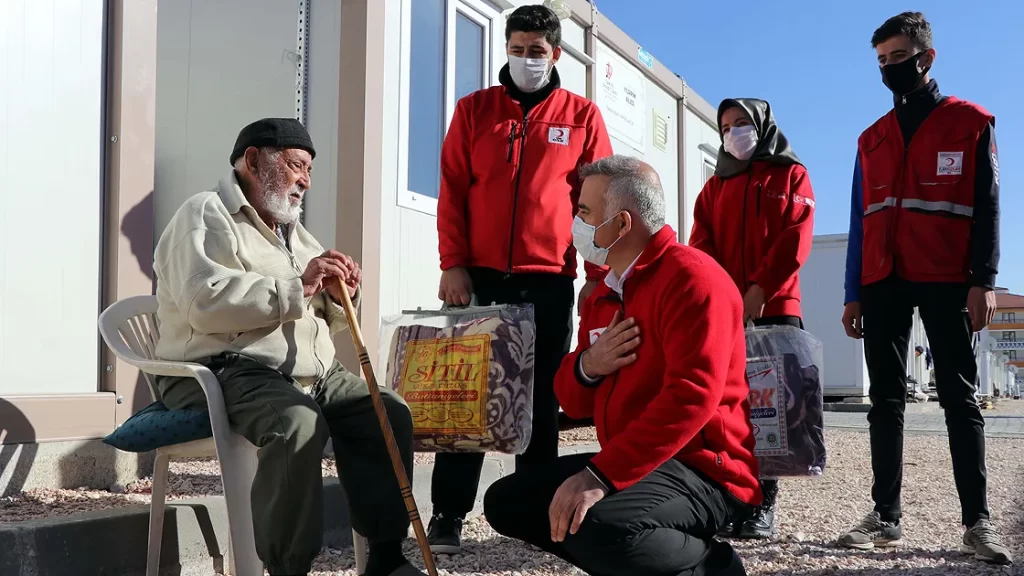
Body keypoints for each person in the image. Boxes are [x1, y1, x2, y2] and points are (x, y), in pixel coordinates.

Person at [153, 118, 428, 576]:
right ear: (254, 161)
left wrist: (342, 296)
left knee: (387, 412)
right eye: (297, 165)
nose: (305, 180)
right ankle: (286, 567)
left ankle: (384, 558)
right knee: (296, 424)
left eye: (310, 171)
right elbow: (205, 302)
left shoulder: (294, 233)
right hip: (227, 368)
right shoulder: (204, 214)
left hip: (311, 371)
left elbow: (322, 314)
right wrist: (299, 285)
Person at [483, 155, 760, 576]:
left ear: (623, 224)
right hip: (634, 459)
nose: (575, 221)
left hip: (704, 470)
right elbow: (572, 401)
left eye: (585, 212)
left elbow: (691, 397)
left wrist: (600, 476)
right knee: (508, 502)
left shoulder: (694, 280)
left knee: (595, 522)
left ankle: (714, 567)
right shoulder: (604, 293)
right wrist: (589, 365)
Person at [431, 4, 613, 553]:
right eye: (518, 48)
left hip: (549, 279)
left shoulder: (581, 116)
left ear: (555, 55)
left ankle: (535, 513)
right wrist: (452, 263)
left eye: (538, 50)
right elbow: (453, 191)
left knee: (537, 401)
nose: (527, 59)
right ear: (505, 49)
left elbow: (598, 204)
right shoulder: (474, 111)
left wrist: (597, 277)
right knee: (467, 395)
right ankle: (447, 514)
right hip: (480, 277)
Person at [839, 12, 1011, 565]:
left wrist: (983, 280)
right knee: (884, 401)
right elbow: (860, 220)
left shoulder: (970, 123)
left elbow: (988, 206)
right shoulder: (872, 140)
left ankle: (977, 523)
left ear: (926, 57)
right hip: (882, 278)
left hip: (946, 277)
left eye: (898, 57)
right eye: (882, 61)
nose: (890, 68)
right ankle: (885, 517)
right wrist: (852, 292)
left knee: (960, 399)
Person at [689, 98, 815, 540]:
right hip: (727, 315)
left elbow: (795, 238)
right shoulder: (714, 188)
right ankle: (733, 497)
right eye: (726, 126)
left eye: (742, 123)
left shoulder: (790, 175)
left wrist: (760, 288)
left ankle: (764, 504)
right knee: (731, 411)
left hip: (775, 310)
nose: (734, 132)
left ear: (763, 127)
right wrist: (722, 297)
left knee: (771, 415)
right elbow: (700, 244)